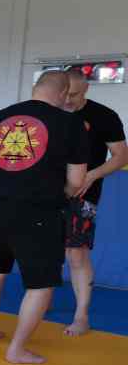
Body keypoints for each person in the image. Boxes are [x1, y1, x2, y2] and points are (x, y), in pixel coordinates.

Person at [0, 70, 88, 364]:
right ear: (62, 93)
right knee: (41, 284)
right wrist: (60, 194)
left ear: (36, 87)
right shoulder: (70, 123)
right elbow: (77, 180)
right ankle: (17, 349)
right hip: (40, 211)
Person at [62, 70, 127, 336]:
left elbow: (121, 155)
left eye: (74, 94)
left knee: (76, 253)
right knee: (45, 250)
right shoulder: (52, 112)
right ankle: (41, 299)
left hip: (83, 194)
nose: (68, 100)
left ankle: (82, 315)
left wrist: (92, 175)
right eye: (65, 94)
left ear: (86, 89)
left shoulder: (103, 115)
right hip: (47, 193)